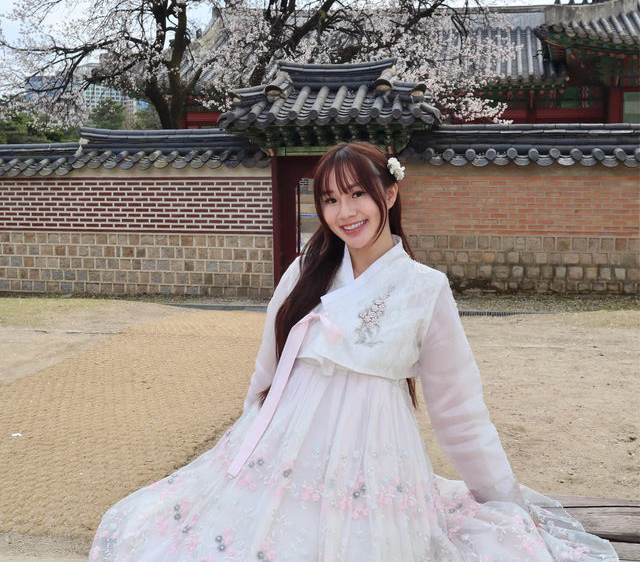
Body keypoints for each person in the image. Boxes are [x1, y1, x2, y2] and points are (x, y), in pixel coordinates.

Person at [90, 142, 618, 561]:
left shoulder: (423, 288)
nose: (344, 212)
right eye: (329, 199)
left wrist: (502, 495)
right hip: (289, 448)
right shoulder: (306, 270)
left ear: (389, 193)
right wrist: (248, 433)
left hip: (374, 450)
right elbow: (269, 365)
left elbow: (457, 407)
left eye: (357, 194)